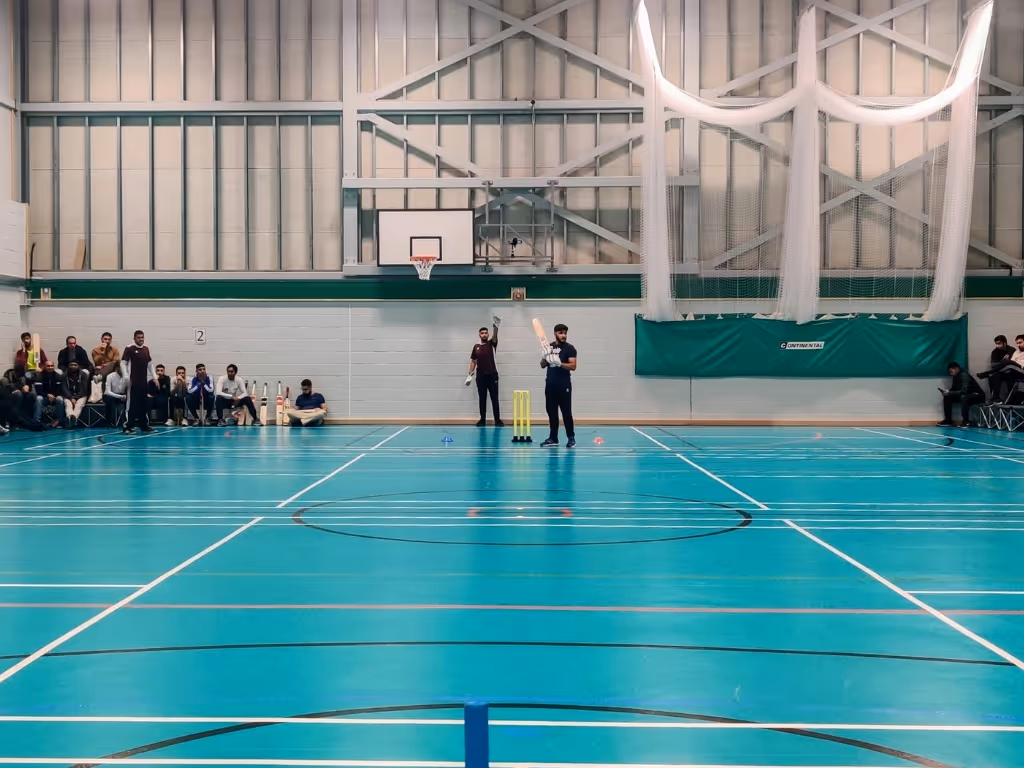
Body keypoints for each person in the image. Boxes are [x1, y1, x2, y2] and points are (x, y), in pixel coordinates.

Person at [539, 323, 578, 448]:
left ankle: (571, 438)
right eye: (561, 333)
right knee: (551, 412)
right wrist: (545, 357)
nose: (563, 335)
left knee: (566, 412)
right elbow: (542, 365)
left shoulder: (570, 348)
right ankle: (553, 438)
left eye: (565, 333)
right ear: (555, 333)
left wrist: (560, 363)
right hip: (550, 385)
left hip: (564, 385)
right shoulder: (549, 346)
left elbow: (573, 366)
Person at [467, 316, 503, 427]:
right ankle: (482, 420)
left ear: (488, 334)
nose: (484, 334)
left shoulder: (491, 344)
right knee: (482, 399)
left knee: (494, 399)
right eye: (482, 333)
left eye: (486, 333)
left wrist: (495, 326)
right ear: (479, 335)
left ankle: (497, 420)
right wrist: (469, 375)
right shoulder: (476, 347)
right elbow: (473, 361)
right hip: (481, 377)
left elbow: (495, 336)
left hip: (492, 376)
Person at [121, 329, 158, 434]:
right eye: (138, 337)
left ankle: (144, 426)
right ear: (134, 338)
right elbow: (123, 363)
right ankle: (128, 426)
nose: (141, 339)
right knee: (131, 405)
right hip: (132, 382)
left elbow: (150, 364)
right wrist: (125, 376)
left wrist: (155, 377)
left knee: (143, 404)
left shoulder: (146, 349)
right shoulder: (129, 349)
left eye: (142, 337)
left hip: (143, 382)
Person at [978, 334, 1024, 403]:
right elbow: (1011, 362)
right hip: (1013, 370)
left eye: (1020, 343)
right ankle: (996, 398)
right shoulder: (1016, 352)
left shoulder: (1011, 350)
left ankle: (988, 373)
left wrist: (1006, 362)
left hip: (1022, 369)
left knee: (1008, 363)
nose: (1018, 345)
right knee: (996, 376)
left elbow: (1010, 362)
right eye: (1017, 343)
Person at [939, 361, 985, 428]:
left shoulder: (964, 375)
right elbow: (955, 389)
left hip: (977, 395)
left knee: (964, 397)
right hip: (967, 394)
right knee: (947, 397)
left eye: (951, 371)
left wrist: (951, 393)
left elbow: (965, 391)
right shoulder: (955, 376)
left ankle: (966, 421)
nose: (951, 374)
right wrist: (948, 392)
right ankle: (948, 420)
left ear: (956, 369)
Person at [61, 360, 91, 428]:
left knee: (79, 405)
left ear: (78, 366)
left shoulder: (83, 375)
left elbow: (84, 388)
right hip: (68, 396)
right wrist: (71, 397)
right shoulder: (64, 375)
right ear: (68, 366)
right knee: (68, 405)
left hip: (81, 396)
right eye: (71, 365)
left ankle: (72, 419)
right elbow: (64, 388)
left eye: (75, 365)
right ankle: (71, 418)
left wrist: (76, 397)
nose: (73, 366)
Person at [36, 360, 66, 428]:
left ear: (54, 367)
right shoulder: (39, 376)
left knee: (60, 399)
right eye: (48, 366)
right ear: (44, 367)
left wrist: (53, 396)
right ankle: (37, 421)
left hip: (54, 397)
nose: (50, 367)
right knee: (38, 398)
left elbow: (60, 390)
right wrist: (47, 395)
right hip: (44, 397)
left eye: (52, 366)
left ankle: (59, 421)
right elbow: (38, 390)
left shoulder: (58, 376)